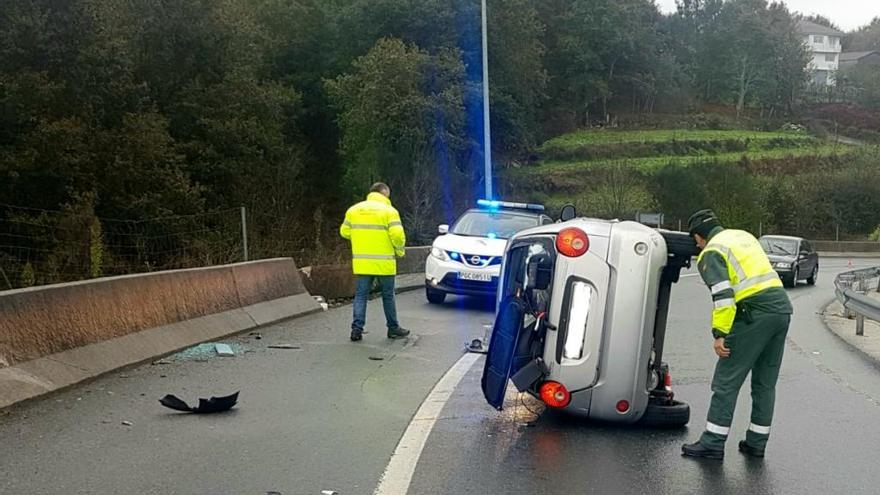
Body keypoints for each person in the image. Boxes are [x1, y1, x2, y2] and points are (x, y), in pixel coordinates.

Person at [681, 209, 793, 460]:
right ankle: (756, 443)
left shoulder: (711, 252)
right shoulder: (742, 236)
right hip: (781, 309)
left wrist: (720, 334)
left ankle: (712, 443)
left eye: (695, 240)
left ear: (700, 237)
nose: (697, 245)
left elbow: (723, 296)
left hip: (754, 312)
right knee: (765, 383)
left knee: (726, 381)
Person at [340, 182, 410, 342]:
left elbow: (344, 231)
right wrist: (400, 251)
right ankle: (393, 328)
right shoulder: (390, 211)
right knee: (388, 295)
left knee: (360, 295)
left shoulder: (353, 210)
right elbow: (398, 235)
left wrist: (361, 238)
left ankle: (356, 330)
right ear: (384, 193)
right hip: (384, 264)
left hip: (363, 263)